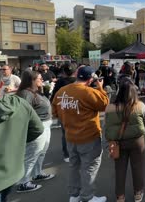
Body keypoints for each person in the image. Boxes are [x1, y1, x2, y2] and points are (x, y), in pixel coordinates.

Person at [0, 66, 44, 202]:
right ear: (2, 84)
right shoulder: (20, 104)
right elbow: (37, 129)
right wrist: (16, 140)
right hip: (11, 173)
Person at [52, 66, 109, 202]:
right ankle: (87, 196)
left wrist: (67, 119)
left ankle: (74, 195)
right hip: (88, 136)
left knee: (74, 165)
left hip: (70, 136)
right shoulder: (88, 92)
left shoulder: (62, 91)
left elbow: (54, 111)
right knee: (89, 167)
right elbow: (105, 104)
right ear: (90, 79)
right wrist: (100, 87)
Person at [105, 78, 145, 202]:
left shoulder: (109, 107)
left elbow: (107, 126)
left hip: (118, 142)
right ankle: (138, 193)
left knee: (119, 169)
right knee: (137, 167)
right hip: (137, 141)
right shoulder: (140, 105)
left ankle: (120, 196)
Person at [16, 70, 55, 192]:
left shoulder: (36, 91)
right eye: (39, 78)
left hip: (45, 125)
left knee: (41, 151)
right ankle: (23, 182)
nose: (42, 80)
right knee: (32, 154)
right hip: (37, 127)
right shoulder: (26, 93)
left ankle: (37, 173)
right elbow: (23, 113)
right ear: (31, 80)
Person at [50, 63, 78, 163]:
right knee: (78, 131)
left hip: (64, 111)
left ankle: (67, 154)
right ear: (75, 72)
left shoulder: (60, 82)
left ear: (64, 72)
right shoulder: (78, 82)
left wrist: (55, 112)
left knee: (65, 133)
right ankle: (75, 152)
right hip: (77, 110)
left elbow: (53, 98)